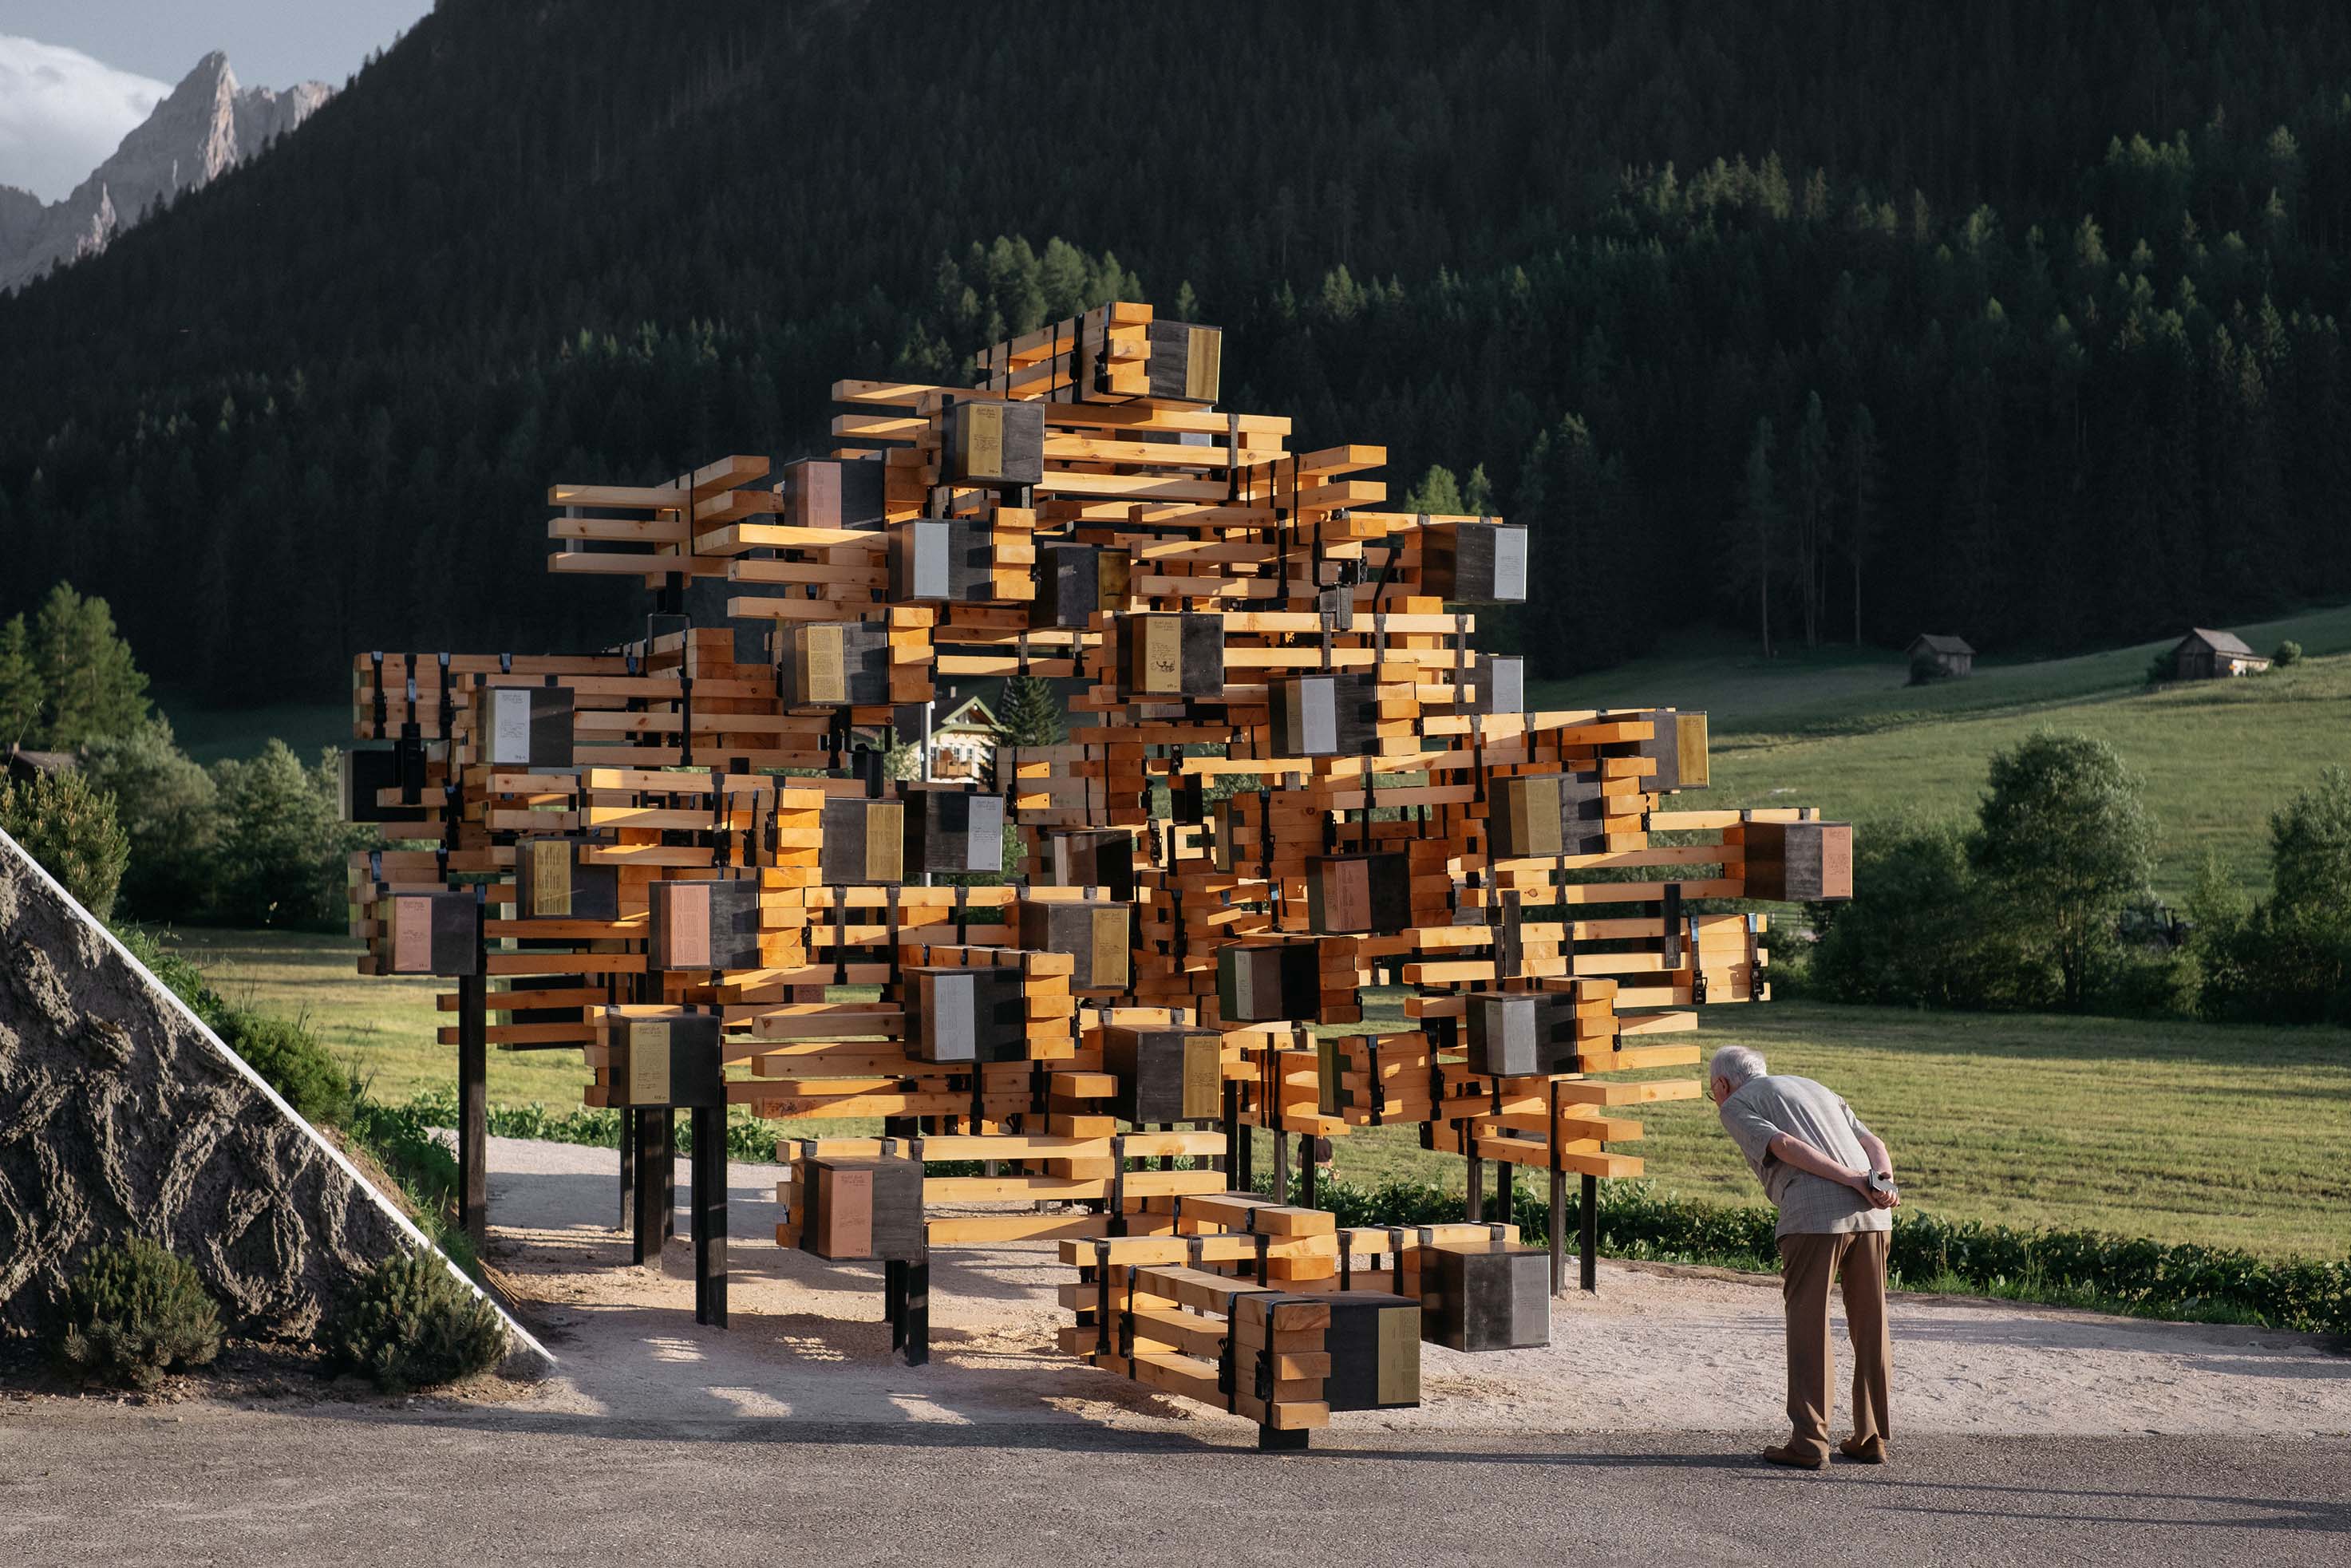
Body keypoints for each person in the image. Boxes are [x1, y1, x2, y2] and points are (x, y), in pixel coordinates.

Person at [1707, 1044, 1899, 1469]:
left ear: (1722, 1084)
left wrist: (1850, 1178)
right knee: (1871, 1325)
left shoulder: (1737, 1102)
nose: (1715, 1100)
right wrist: (1881, 1183)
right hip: (1873, 1216)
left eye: (1712, 1092)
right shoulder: (1817, 1088)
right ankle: (1870, 1437)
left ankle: (1810, 1441)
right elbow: (1873, 1142)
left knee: (1809, 1324)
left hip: (1812, 1218)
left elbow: (1784, 1144)